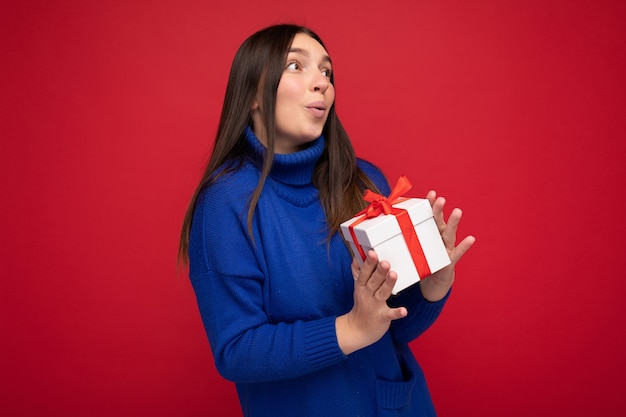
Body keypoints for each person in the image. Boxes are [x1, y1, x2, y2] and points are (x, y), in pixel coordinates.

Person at [178, 24, 475, 417]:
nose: (320, 82)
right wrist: (351, 328)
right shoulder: (224, 204)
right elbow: (236, 350)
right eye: (296, 66)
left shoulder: (366, 184)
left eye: (327, 72)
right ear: (251, 93)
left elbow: (392, 328)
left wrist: (432, 288)